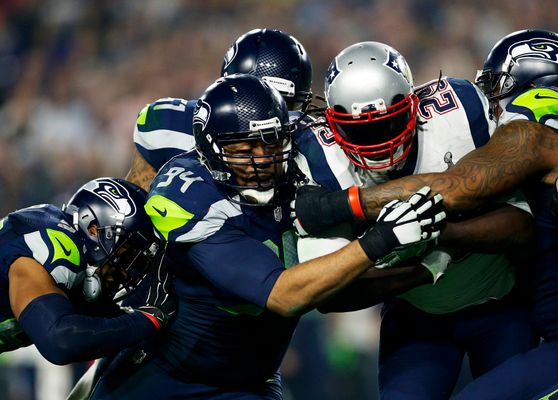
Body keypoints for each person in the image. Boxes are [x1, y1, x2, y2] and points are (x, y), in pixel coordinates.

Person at [86, 74, 446, 399]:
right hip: (165, 381)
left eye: (271, 144)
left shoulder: (298, 171)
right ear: (211, 151)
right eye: (245, 150)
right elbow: (284, 295)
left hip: (251, 382)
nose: (262, 161)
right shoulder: (190, 196)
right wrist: (381, 239)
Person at [296, 29, 558, 400]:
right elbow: (331, 296)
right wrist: (416, 265)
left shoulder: (468, 115)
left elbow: (516, 224)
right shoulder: (320, 158)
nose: (378, 142)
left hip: (500, 304)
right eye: (361, 130)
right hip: (417, 316)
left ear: (413, 104)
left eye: (387, 123)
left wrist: (432, 233)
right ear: (333, 125)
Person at [0, 177, 175, 366]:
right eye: (125, 256)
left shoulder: (59, 240)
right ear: (93, 229)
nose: (125, 273)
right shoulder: (58, 247)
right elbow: (60, 341)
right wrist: (148, 320)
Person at [126, 28, 313, 191]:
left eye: (290, 107)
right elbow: (134, 210)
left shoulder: (310, 145)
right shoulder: (168, 127)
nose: (276, 119)